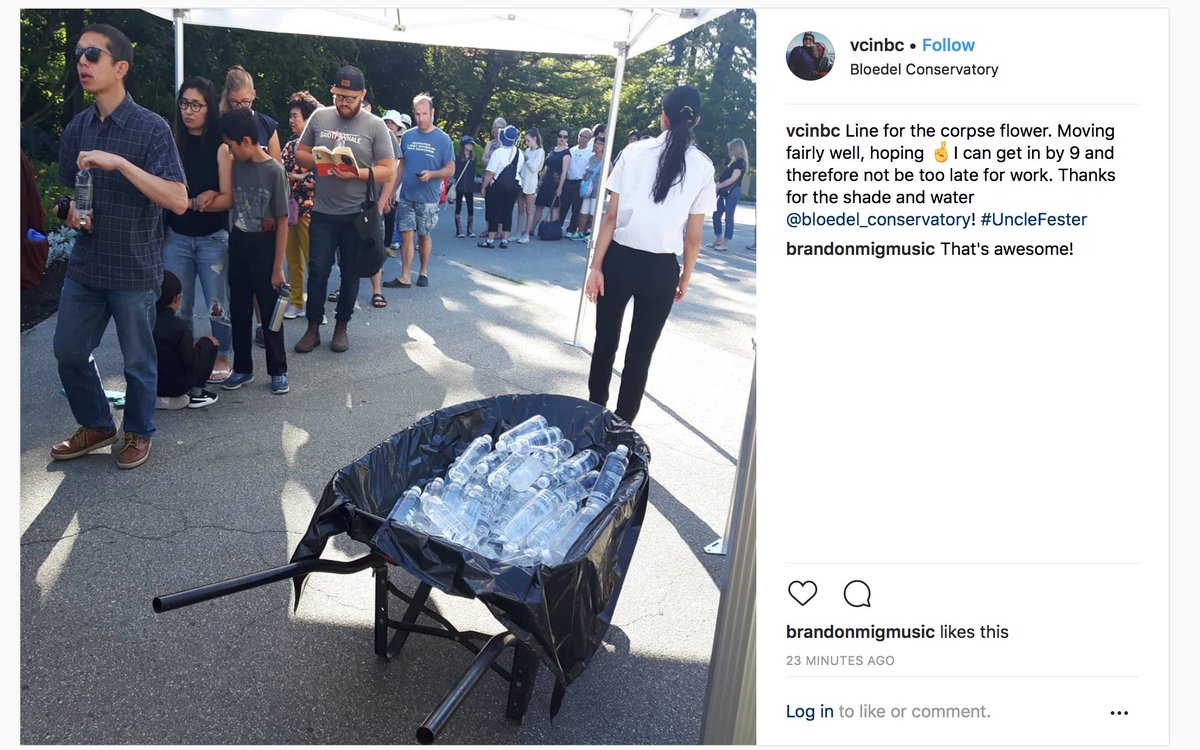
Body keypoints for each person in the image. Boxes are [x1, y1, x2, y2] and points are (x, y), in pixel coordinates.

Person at [51, 22, 188, 470]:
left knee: (137, 362)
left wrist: (120, 162)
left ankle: (138, 430)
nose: (82, 62)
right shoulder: (77, 127)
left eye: (93, 55)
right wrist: (68, 210)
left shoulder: (151, 129)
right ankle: (97, 423)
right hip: (88, 265)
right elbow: (68, 195)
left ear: (120, 67)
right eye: (78, 54)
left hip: (133, 268)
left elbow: (178, 200)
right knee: (68, 350)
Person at [584, 85, 715, 423]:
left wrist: (595, 266)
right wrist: (685, 276)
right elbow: (693, 237)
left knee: (605, 343)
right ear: (697, 121)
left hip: (620, 260)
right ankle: (623, 428)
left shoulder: (633, 152)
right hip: (661, 270)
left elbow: (610, 218)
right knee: (640, 355)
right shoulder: (703, 166)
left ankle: (595, 413)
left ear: (663, 116)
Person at [293, 65, 396, 353]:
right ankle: (312, 328)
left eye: (350, 98)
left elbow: (388, 170)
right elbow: (300, 153)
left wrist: (356, 173)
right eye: (339, 96)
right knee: (318, 270)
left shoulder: (375, 125)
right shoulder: (319, 116)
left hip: (356, 214)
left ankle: (342, 327)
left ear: (362, 95)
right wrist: (320, 161)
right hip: (324, 212)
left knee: (350, 272)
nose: (343, 103)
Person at [164, 76, 234, 384]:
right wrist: (195, 201)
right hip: (176, 236)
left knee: (217, 303)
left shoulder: (220, 145)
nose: (188, 111)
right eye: (184, 103)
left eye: (196, 105)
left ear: (209, 108)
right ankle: (186, 356)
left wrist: (197, 202)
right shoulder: (170, 141)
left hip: (212, 238)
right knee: (179, 304)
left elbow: (228, 198)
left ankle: (221, 352)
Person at [217, 108, 291, 394]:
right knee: (239, 308)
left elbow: (283, 219)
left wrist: (277, 266)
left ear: (247, 141)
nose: (230, 152)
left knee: (271, 310)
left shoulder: (274, 170)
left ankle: (278, 369)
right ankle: (243, 368)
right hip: (239, 243)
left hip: (265, 246)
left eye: (232, 146)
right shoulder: (236, 166)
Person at [383, 93, 455, 289]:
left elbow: (451, 168)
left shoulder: (443, 139)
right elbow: (401, 166)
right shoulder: (407, 136)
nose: (421, 118)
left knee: (423, 235)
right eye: (417, 114)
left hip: (428, 198)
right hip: (407, 195)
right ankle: (405, 275)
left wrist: (432, 174)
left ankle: (423, 272)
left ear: (432, 113)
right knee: (406, 234)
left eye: (425, 113)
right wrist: (392, 191)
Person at [281, 90, 321, 319]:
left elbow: (322, 177)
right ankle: (296, 303)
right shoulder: (289, 146)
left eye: (296, 116)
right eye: (291, 116)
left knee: (313, 261)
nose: (292, 120)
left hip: (311, 211)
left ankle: (316, 307)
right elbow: (280, 173)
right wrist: (298, 177)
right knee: (292, 259)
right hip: (290, 211)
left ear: (308, 119)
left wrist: (297, 178)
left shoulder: (318, 147)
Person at [154, 270, 219, 409]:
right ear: (177, 299)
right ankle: (197, 393)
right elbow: (189, 360)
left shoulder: (144, 322)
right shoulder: (179, 325)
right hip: (177, 387)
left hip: (150, 383)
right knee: (208, 343)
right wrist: (204, 345)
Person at [219, 65, 282, 161]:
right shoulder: (221, 125)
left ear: (253, 95)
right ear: (227, 97)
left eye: (245, 101)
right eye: (234, 102)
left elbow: (276, 168)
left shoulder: (267, 124)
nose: (240, 107)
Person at [478, 124, 524, 249]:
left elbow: (490, 173)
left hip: (498, 185)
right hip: (514, 185)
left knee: (494, 211)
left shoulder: (498, 152)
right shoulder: (520, 153)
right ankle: (505, 240)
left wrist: (483, 187)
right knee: (507, 212)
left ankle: (490, 240)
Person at [711, 137, 749, 251]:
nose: (729, 152)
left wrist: (719, 186)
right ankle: (718, 238)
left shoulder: (740, 162)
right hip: (724, 191)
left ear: (736, 149)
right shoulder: (733, 161)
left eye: (731, 149)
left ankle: (725, 242)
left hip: (732, 191)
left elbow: (733, 178)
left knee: (729, 217)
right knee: (716, 215)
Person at [533, 127, 572, 236]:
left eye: (565, 137)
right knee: (539, 206)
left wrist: (560, 187)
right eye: (560, 136)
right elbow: (546, 166)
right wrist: (540, 179)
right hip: (546, 181)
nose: (562, 138)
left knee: (554, 208)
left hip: (556, 183)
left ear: (567, 139)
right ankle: (531, 229)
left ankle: (553, 231)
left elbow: (564, 171)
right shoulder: (552, 150)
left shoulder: (566, 154)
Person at [572, 132, 607, 240]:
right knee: (583, 211)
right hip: (587, 189)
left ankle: (591, 233)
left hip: (597, 190)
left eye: (600, 144)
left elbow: (609, 175)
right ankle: (580, 231)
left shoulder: (606, 160)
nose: (597, 145)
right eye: (596, 143)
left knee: (593, 213)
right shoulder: (591, 158)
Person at [561, 127, 593, 238]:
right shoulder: (571, 150)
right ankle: (558, 226)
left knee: (576, 208)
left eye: (586, 137)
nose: (583, 139)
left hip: (579, 182)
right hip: (568, 180)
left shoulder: (590, 153)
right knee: (564, 205)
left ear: (589, 139)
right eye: (581, 136)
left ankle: (571, 229)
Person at [515, 127, 544, 243]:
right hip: (522, 182)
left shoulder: (540, 152)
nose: (526, 143)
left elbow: (534, 168)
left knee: (529, 210)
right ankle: (518, 233)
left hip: (530, 184)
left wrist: (525, 158)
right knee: (520, 209)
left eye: (528, 140)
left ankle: (526, 234)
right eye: (525, 141)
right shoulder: (527, 150)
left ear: (535, 138)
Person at [453, 135, 477, 237]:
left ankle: (469, 229)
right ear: (463, 146)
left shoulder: (473, 159)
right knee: (458, 207)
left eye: (471, 144)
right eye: (468, 144)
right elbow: (455, 172)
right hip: (459, 185)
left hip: (470, 186)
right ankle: (459, 230)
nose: (470, 146)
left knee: (470, 207)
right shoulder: (457, 158)